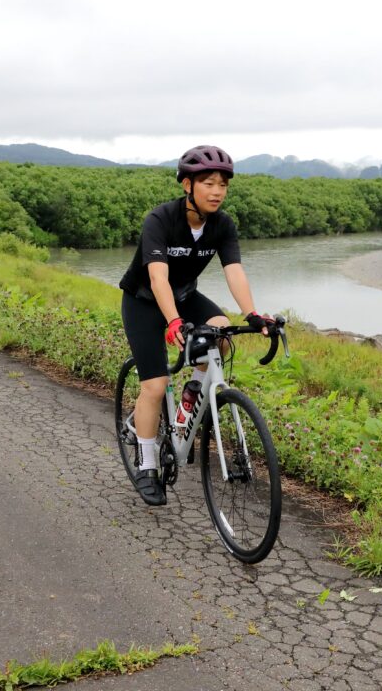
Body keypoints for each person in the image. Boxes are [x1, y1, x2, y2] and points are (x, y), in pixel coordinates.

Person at [118, 145, 275, 506]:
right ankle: (147, 463)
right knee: (155, 386)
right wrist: (173, 322)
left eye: (223, 184)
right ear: (188, 185)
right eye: (208, 183)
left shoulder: (222, 225)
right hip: (144, 302)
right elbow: (157, 278)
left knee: (220, 330)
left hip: (186, 296)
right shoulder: (160, 220)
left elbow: (233, 270)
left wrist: (252, 314)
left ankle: (191, 394)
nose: (217, 191)